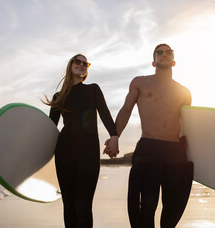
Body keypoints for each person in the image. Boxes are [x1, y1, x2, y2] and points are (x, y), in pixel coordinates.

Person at [106, 44, 194, 228]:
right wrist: (114, 136)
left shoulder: (184, 92)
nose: (164, 54)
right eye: (160, 52)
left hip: (175, 152)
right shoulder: (140, 82)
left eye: (168, 52)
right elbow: (126, 110)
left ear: (174, 61)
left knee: (172, 207)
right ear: (153, 62)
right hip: (149, 148)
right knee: (147, 206)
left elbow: (189, 126)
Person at [43, 54, 119, 228]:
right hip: (64, 153)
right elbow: (49, 129)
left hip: (88, 153)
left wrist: (114, 135)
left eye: (86, 63)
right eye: (78, 61)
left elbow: (105, 114)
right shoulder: (59, 96)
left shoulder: (92, 89)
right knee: (69, 205)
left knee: (83, 206)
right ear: (70, 65)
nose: (82, 65)